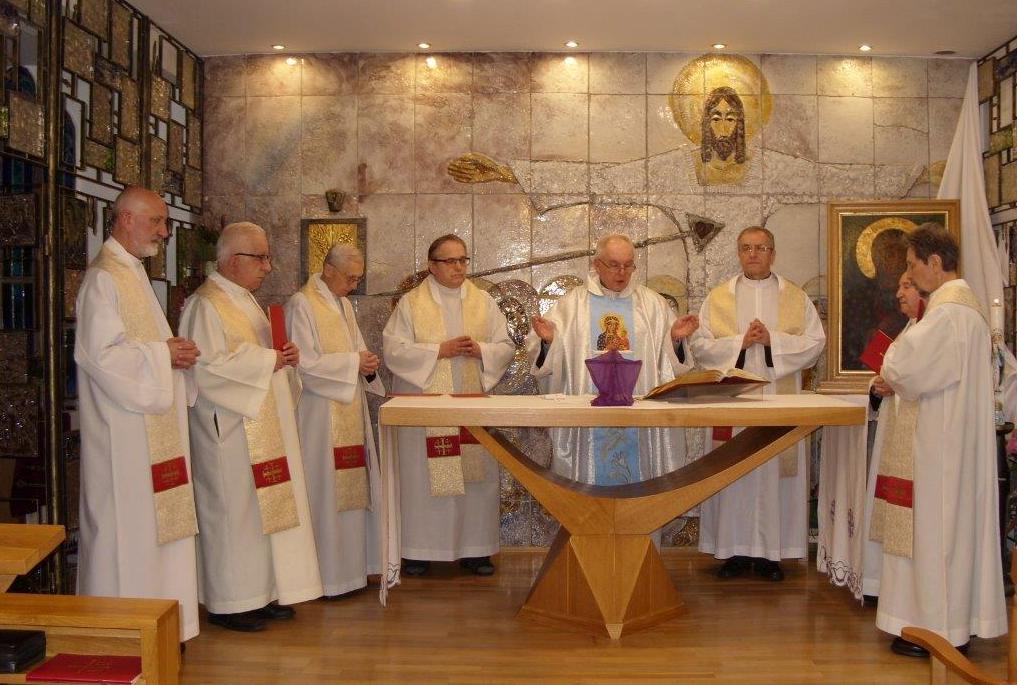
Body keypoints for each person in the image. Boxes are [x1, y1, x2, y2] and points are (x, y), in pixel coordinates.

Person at [870, 224, 1006, 656]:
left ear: (934, 262)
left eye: (912, 265)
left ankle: (939, 632)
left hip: (938, 448)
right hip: (952, 443)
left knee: (936, 537)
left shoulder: (947, 314)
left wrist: (892, 362)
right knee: (950, 537)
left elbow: (901, 367)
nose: (909, 274)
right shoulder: (967, 310)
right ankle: (951, 625)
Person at [180, 222, 322, 632]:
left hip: (258, 426)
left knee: (260, 514)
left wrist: (284, 355)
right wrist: (268, 360)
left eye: (267, 257)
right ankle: (229, 603)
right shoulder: (205, 305)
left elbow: (258, 357)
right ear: (230, 260)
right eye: (259, 258)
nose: (267, 266)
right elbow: (205, 368)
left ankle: (259, 595)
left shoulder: (244, 301)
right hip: (227, 431)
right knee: (233, 515)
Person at [74, 186, 201, 642]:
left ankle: (161, 629)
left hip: (150, 432)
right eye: (157, 221)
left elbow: (142, 347)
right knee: (126, 532)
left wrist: (172, 353)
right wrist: (162, 354)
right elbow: (100, 356)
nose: (164, 232)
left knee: (158, 532)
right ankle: (124, 629)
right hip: (123, 436)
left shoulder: (132, 273)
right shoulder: (104, 278)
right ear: (126, 219)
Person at [689, 225, 825, 581]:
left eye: (761, 248)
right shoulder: (718, 297)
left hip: (778, 400)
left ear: (772, 253)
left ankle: (771, 555)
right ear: (739, 253)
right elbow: (700, 346)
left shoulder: (795, 297)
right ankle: (732, 551)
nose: (753, 254)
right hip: (732, 405)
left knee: (772, 476)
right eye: (747, 248)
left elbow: (815, 343)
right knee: (734, 474)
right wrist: (741, 343)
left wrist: (771, 341)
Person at [382, 234, 514, 577]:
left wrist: (481, 351)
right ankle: (418, 551)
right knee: (423, 478)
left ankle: (476, 551)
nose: (459, 267)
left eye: (463, 260)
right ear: (432, 265)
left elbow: (505, 346)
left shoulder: (483, 301)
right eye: (450, 261)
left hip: (469, 406)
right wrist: (438, 351)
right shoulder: (411, 303)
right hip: (427, 409)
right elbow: (393, 350)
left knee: (474, 478)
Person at [527, 233, 699, 489]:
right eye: (614, 265)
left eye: (628, 265)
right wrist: (549, 342)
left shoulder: (652, 304)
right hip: (589, 423)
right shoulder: (572, 305)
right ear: (597, 265)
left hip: (639, 424)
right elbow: (546, 357)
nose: (622, 273)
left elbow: (670, 365)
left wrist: (674, 339)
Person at [285, 243, 384, 599]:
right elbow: (304, 364)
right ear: (328, 269)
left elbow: (355, 350)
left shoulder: (342, 304)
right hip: (319, 415)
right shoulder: (302, 303)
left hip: (348, 408)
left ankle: (352, 572)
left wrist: (366, 364)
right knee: (325, 491)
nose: (354, 285)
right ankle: (326, 577)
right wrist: (354, 363)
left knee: (352, 489)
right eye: (350, 278)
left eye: (358, 279)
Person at [861, 272, 925, 602]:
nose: (899, 293)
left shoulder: (928, 331)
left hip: (916, 439)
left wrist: (892, 384)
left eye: (907, 286)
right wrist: (877, 386)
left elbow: (920, 381)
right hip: (893, 425)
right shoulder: (907, 328)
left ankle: (897, 589)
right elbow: (888, 374)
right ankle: (880, 582)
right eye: (899, 285)